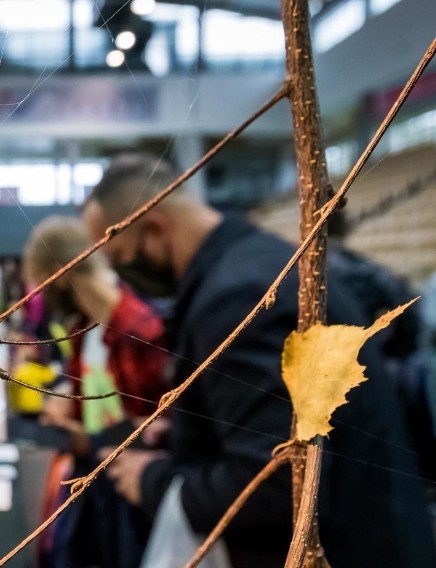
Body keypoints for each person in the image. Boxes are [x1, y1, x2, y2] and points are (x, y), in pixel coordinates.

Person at [82, 152, 435, 567]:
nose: (126, 277)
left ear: (156, 229)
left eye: (124, 259)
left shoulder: (239, 299)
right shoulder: (263, 261)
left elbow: (277, 483)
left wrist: (152, 481)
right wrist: (189, 432)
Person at [22, 215, 171, 568]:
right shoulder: (86, 329)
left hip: (136, 497)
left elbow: (166, 423)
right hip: (97, 483)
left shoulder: (140, 328)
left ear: (60, 276)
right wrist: (66, 408)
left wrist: (89, 437)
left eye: (45, 285)